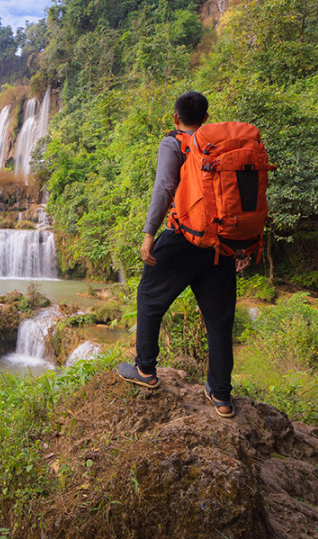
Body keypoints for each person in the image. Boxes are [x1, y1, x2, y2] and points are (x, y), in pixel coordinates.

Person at [117, 91, 247, 418]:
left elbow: (164, 188)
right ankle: (221, 396)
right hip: (220, 245)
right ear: (205, 119)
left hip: (183, 238)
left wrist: (149, 235)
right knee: (219, 320)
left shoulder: (173, 143)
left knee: (149, 296)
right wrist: (242, 244)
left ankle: (145, 370)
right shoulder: (222, 148)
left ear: (176, 118)